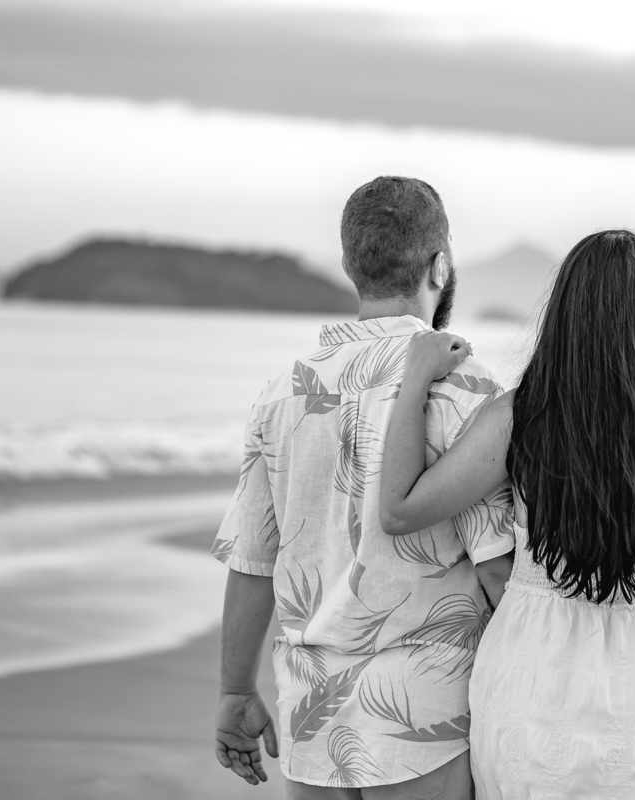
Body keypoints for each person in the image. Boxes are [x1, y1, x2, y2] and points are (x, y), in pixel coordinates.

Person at [379, 229, 635, 798]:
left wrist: (415, 380)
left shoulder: (520, 418)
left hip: (529, 685)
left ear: (564, 313)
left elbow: (399, 510)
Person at [210, 176, 516, 798]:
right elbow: (497, 568)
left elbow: (253, 560)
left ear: (351, 266)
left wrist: (236, 691)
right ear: (440, 266)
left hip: (310, 710)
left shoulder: (283, 393)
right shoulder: (464, 387)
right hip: (426, 707)